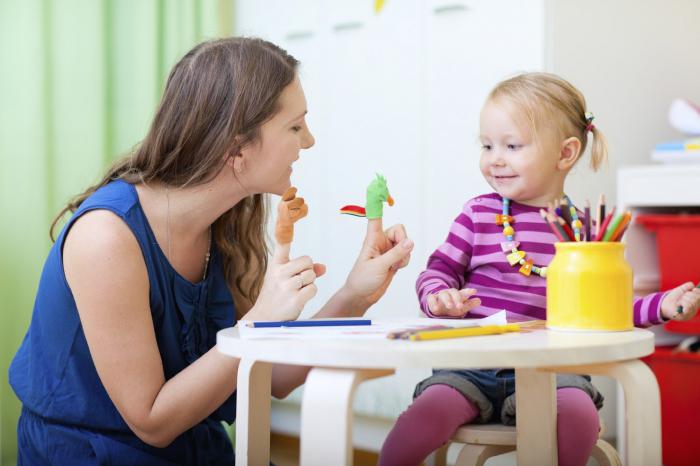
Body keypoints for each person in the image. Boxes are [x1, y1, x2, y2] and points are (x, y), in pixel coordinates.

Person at [9, 37, 414, 465]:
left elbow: (269, 376)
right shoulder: (106, 239)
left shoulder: (228, 223)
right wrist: (259, 319)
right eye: (295, 127)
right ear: (237, 147)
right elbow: (152, 421)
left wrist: (354, 293)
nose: (309, 141)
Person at [378, 72, 700, 466]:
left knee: (578, 417)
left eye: (512, 146)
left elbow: (607, 311)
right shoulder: (478, 214)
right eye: (487, 145)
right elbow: (438, 269)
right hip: (470, 366)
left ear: (565, 154)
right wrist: (438, 297)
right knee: (421, 419)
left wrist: (662, 305)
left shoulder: (584, 232)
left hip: (553, 369)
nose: (495, 158)